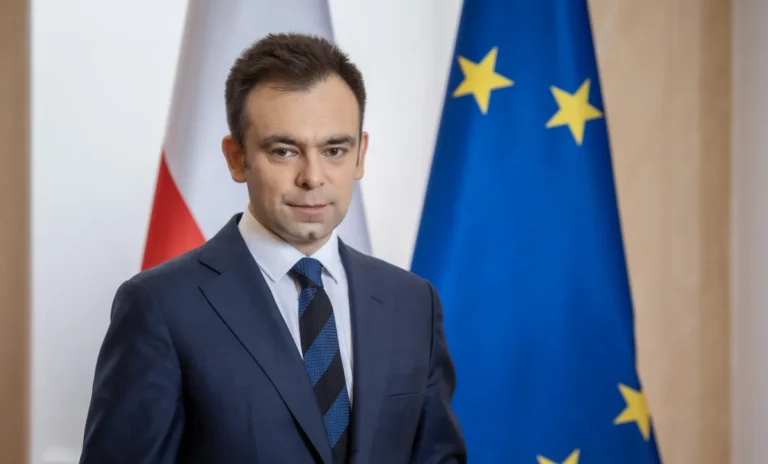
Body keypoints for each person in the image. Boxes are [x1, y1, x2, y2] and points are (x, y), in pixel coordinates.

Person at [78, 33, 466, 463]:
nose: (312, 177)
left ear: (360, 156)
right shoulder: (160, 307)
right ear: (236, 158)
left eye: (334, 150)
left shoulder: (413, 303)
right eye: (284, 151)